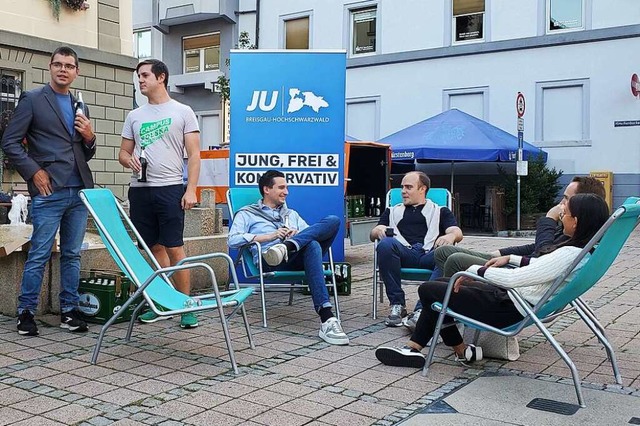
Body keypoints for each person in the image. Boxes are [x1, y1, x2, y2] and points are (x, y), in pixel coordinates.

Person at [375, 193, 610, 368]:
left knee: (430, 290)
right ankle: (423, 349)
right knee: (442, 287)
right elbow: (539, 266)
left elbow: (515, 279)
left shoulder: (568, 254)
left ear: (577, 221)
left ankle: (445, 350)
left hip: (507, 307)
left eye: (565, 214)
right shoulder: (582, 252)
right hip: (518, 301)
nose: (561, 216)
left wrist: (475, 272)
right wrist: (511, 258)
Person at [1, 46, 96, 336]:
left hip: (78, 190)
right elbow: (10, 142)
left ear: (76, 71)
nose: (63, 69)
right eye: (58, 64)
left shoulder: (81, 105)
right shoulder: (32, 99)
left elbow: (84, 152)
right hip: (48, 189)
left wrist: (90, 137)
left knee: (72, 254)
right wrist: (34, 171)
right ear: (50, 67)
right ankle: (26, 313)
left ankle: (69, 311)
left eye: (69, 65)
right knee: (40, 253)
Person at [119, 59, 201, 328]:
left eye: (144, 75)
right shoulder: (135, 115)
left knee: (174, 247)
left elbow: (195, 156)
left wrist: (191, 190)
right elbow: (122, 152)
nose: (140, 80)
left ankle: (186, 305)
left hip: (170, 188)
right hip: (140, 190)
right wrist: (126, 159)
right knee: (152, 249)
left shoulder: (183, 111)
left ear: (161, 77)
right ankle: (163, 301)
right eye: (138, 76)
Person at [228, 170, 349, 345]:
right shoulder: (247, 213)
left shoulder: (291, 214)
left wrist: (296, 234)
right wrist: (270, 236)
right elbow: (232, 239)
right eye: (282, 187)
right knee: (312, 244)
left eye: (287, 187)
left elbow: (311, 234)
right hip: (268, 260)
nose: (287, 192)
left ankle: (287, 246)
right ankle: (327, 318)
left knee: (332, 221)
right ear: (267, 189)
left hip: (294, 257)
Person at [433, 176, 606, 285]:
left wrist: (548, 219)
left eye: (567, 199)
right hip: (517, 262)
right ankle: (447, 300)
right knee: (444, 252)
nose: (561, 203)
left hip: (518, 273)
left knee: (454, 259)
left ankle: (449, 309)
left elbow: (542, 254)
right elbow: (535, 247)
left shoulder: (575, 237)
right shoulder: (575, 232)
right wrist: (502, 252)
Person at [370, 171, 463, 327]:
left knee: (448, 255)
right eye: (402, 188)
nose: (403, 191)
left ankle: (422, 309)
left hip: (429, 254)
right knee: (385, 244)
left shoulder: (440, 211)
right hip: (403, 254)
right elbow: (374, 233)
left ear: (422, 189)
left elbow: (457, 232)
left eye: (408, 187)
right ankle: (397, 305)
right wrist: (378, 231)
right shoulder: (392, 211)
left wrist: (450, 237)